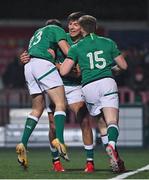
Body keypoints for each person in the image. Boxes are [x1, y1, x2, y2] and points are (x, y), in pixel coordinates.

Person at [60, 15, 128, 173]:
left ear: (81, 29)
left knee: (101, 123)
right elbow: (123, 66)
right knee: (111, 121)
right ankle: (112, 145)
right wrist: (111, 69)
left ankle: (113, 157)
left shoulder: (76, 47)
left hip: (89, 86)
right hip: (107, 82)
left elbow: (64, 70)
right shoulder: (108, 42)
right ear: (95, 27)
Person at [16, 19, 70, 169]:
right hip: (43, 65)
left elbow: (30, 53)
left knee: (36, 109)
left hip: (29, 67)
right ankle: (59, 140)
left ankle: (23, 143)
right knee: (60, 103)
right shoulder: (56, 30)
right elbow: (67, 51)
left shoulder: (37, 34)